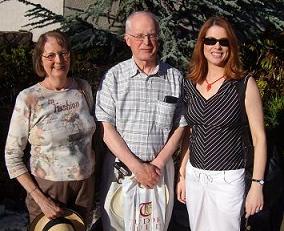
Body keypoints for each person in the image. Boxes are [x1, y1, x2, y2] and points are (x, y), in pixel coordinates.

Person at [95, 11, 186, 230]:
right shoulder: (113, 77)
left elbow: (180, 126)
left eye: (152, 35)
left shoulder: (174, 77)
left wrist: (157, 164)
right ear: (127, 40)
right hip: (122, 171)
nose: (146, 42)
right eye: (139, 36)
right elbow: (106, 129)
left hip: (159, 172)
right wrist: (137, 167)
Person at [176, 16, 267, 231]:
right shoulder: (189, 84)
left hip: (228, 179)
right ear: (202, 44)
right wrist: (182, 174)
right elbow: (190, 132)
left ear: (231, 47)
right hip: (195, 175)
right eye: (210, 41)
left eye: (224, 42)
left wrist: (257, 185)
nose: (217, 46)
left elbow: (259, 138)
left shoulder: (244, 84)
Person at [5, 30, 96, 225]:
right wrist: (40, 198)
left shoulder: (82, 88)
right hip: (49, 190)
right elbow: (12, 156)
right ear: (40, 59)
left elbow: (93, 137)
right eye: (51, 55)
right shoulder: (29, 98)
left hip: (84, 189)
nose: (59, 60)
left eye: (63, 53)